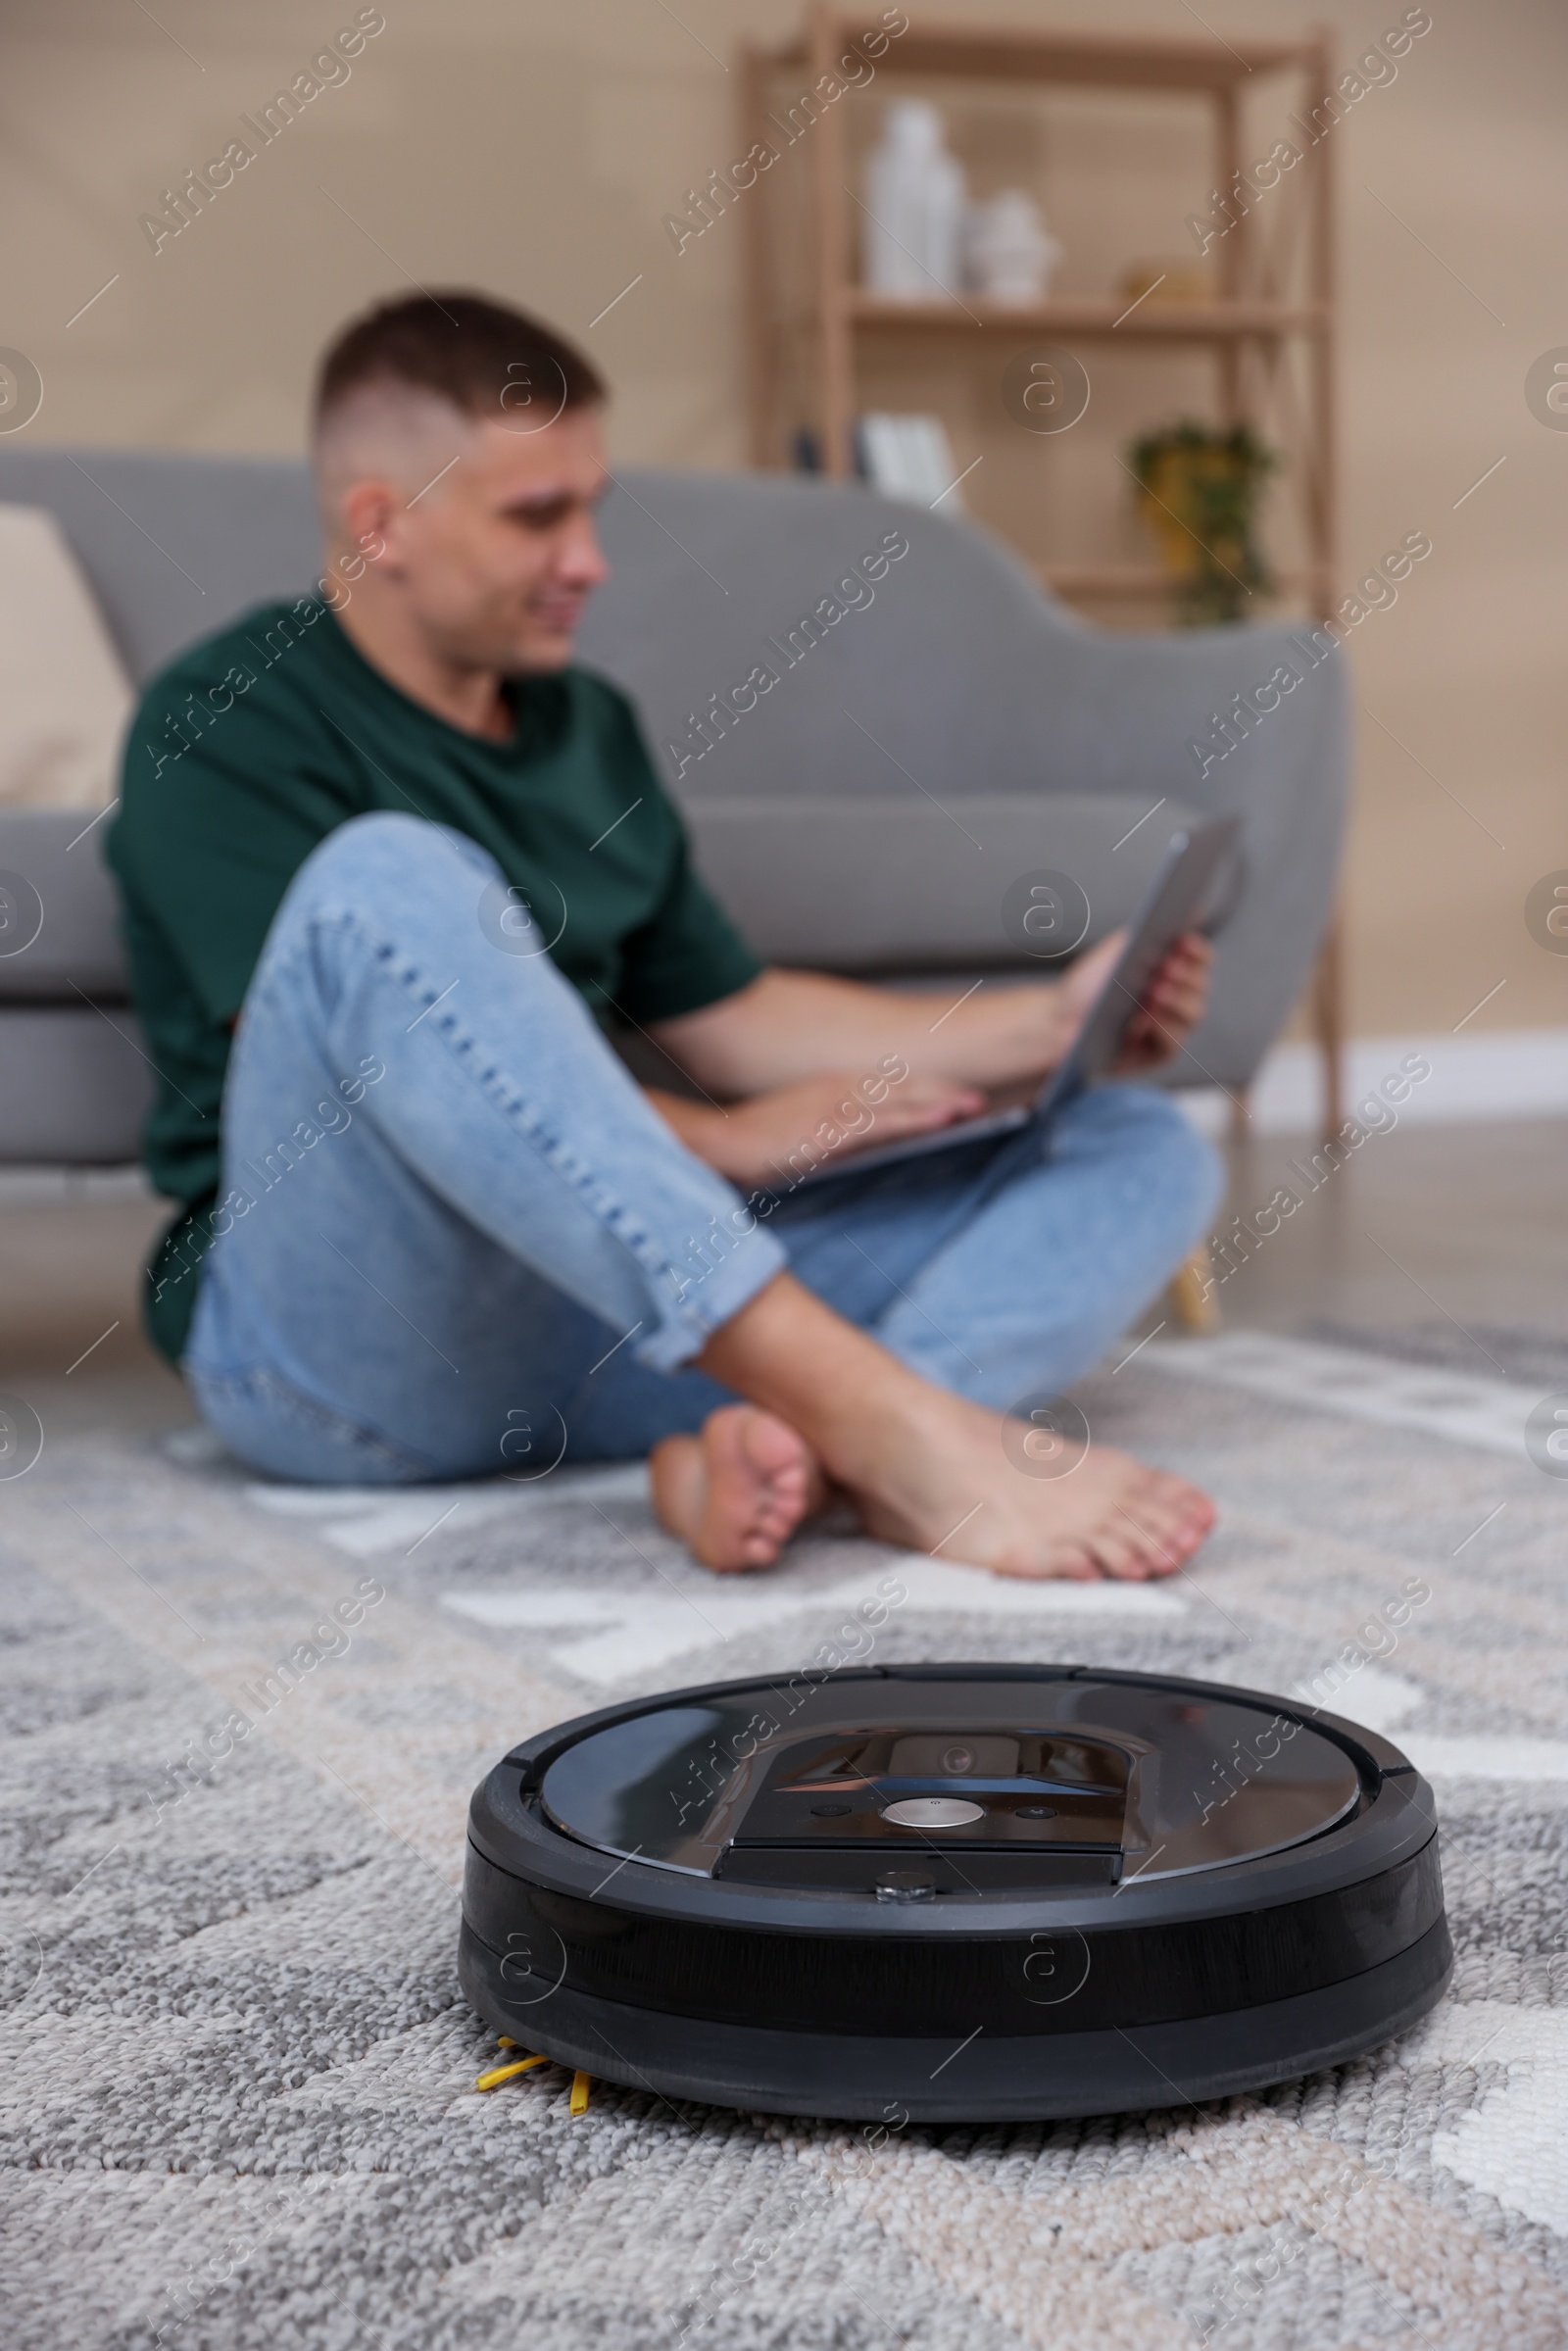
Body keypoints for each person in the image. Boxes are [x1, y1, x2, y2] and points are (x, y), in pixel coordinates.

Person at [108, 290, 1225, 1585]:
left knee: (1134, 1144)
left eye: (592, 508)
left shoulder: (590, 729)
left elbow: (735, 1014)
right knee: (385, 880)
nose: (589, 559)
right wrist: (728, 1142)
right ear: (381, 525)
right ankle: (891, 1422)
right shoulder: (225, 714)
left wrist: (1051, 1027)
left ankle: (787, 1443)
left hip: (609, 1329)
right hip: (355, 1354)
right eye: (537, 515)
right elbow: (348, 1077)